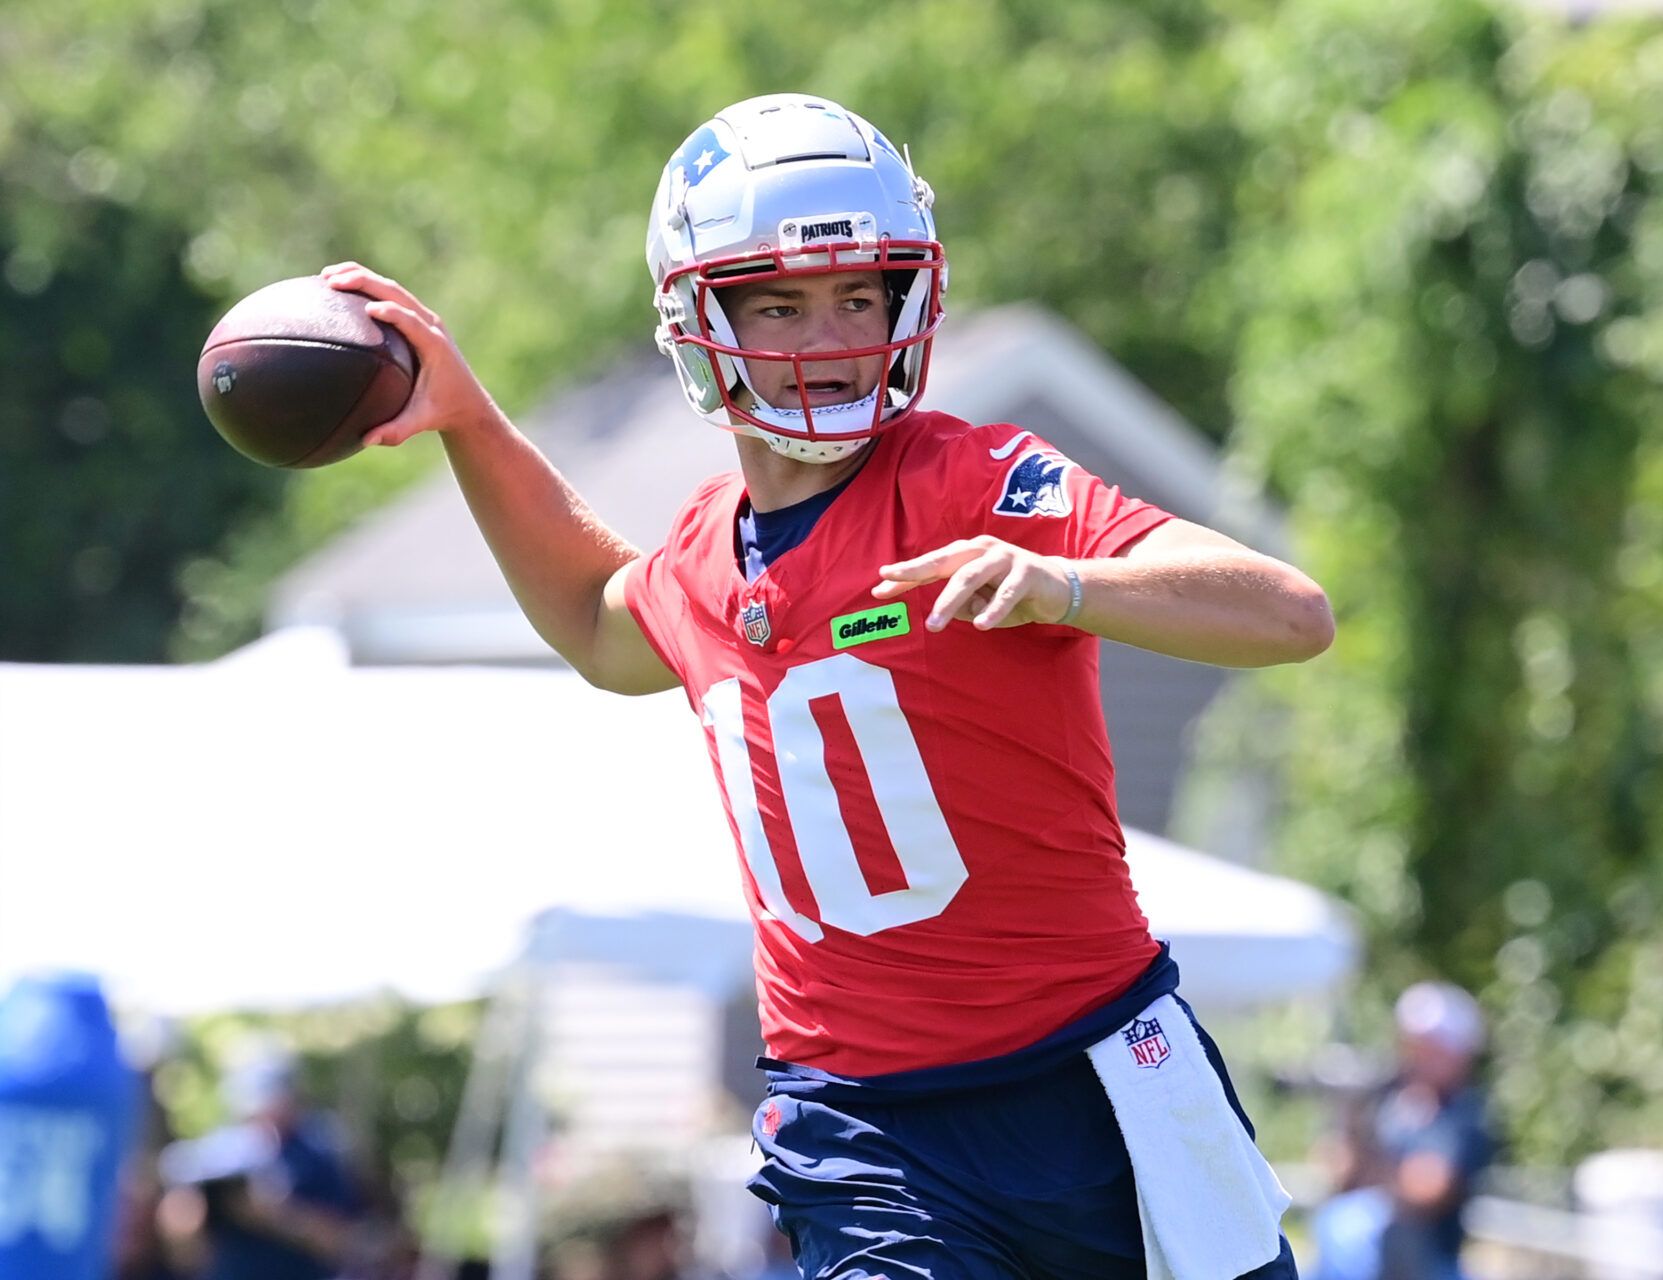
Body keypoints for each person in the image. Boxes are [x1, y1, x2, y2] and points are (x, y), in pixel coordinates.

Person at [320, 91, 1335, 1280]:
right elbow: (601, 626)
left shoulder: (974, 478)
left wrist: (1062, 583)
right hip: (865, 1122)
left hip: (1097, 1079)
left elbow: (1289, 613)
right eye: (784, 304)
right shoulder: (705, 553)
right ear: (700, 318)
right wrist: (469, 422)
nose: (833, 334)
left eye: (859, 295)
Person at [1308, 983, 1498, 1280]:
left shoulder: (1465, 1115)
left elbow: (1428, 1190)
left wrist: (1374, 1164)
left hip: (1431, 1264)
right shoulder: (1386, 1098)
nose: (1416, 1055)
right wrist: (1350, 1118)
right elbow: (1338, 1171)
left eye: (1431, 1046)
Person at [156, 1041, 367, 1280]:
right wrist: (187, 1216)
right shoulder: (218, 1154)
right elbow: (182, 1247)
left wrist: (275, 1215)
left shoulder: (317, 1153)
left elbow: (342, 1241)